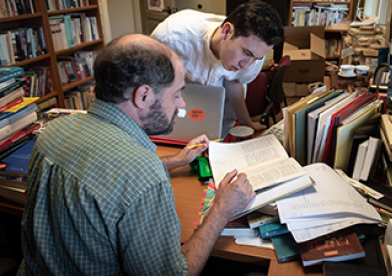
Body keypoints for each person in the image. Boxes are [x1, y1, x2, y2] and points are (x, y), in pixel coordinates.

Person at [18, 34, 255, 275]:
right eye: (176, 94)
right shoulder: (143, 173)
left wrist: (175, 161)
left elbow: (108, 179)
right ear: (142, 96)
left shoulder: (55, 130)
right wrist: (221, 211)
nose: (181, 104)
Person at [151, 0, 284, 138]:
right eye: (247, 53)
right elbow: (156, 86)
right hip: (180, 107)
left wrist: (246, 122)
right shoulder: (170, 37)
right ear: (226, 32)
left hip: (221, 112)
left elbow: (233, 81)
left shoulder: (253, 55)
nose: (246, 65)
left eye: (257, 58)